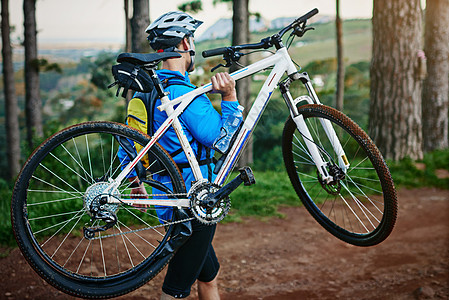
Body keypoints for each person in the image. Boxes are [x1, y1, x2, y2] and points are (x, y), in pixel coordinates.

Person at [128, 11, 240, 300]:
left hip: (167, 197)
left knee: (209, 275)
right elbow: (221, 140)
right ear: (184, 43)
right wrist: (230, 97)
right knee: (175, 289)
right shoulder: (184, 94)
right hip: (195, 200)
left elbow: (129, 143)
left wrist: (133, 181)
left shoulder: (147, 93)